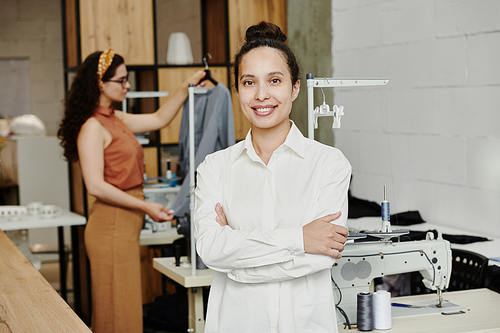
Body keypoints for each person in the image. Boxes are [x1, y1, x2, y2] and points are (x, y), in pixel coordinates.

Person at [194, 22, 352, 333]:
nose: (262, 95)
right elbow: (211, 250)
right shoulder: (214, 168)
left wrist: (236, 263)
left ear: (294, 87)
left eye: (275, 80)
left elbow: (321, 258)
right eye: (249, 82)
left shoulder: (329, 164)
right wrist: (299, 239)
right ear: (238, 90)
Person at [58, 48, 205, 333]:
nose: (127, 85)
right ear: (101, 83)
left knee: (121, 309)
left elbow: (160, 118)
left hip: (123, 223)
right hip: (111, 224)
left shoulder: (115, 118)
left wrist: (188, 85)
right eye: (122, 80)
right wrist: (146, 206)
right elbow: (95, 186)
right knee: (117, 311)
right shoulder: (92, 126)